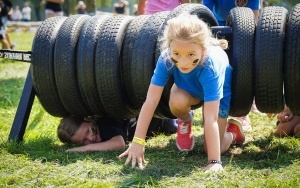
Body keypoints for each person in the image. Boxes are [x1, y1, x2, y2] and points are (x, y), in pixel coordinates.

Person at [119, 13, 245, 173]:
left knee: (212, 149)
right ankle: (185, 119)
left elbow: (211, 118)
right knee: (177, 100)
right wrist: (137, 141)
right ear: (169, 47)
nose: (183, 62)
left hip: (217, 91)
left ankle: (233, 133)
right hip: (189, 89)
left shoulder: (210, 67)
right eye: (177, 54)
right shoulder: (166, 59)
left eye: (191, 55)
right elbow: (150, 101)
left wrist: (214, 161)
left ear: (203, 49)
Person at [202, 0, 261, 132]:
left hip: (244, 29)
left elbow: (253, 20)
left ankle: (242, 113)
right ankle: (211, 113)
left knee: (243, 69)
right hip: (217, 25)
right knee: (213, 69)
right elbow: (204, 14)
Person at [57, 116, 178, 152]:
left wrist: (85, 148)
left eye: (88, 131)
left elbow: (119, 144)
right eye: (84, 141)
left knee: (172, 127)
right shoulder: (96, 130)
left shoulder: (104, 122)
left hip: (161, 120)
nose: (91, 138)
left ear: (88, 119)